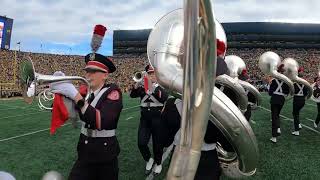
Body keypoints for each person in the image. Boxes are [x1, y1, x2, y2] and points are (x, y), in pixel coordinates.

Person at [51, 53, 123, 180]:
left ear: (105, 75)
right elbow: (71, 114)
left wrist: (74, 94)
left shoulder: (113, 92)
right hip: (85, 152)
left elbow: (101, 121)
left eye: (93, 71)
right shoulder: (86, 93)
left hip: (105, 156)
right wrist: (60, 91)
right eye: (87, 71)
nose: (88, 74)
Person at [129, 65, 168, 175]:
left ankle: (159, 163)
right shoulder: (142, 87)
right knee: (141, 143)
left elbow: (164, 97)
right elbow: (132, 95)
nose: (151, 76)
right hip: (145, 120)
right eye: (149, 74)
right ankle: (149, 160)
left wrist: (152, 87)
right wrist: (138, 83)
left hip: (158, 119)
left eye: (153, 73)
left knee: (157, 144)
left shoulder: (161, 87)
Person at [268, 64, 290, 143]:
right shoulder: (286, 81)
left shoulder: (274, 81)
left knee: (274, 116)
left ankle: (274, 136)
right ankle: (278, 128)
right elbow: (287, 92)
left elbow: (270, 93)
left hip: (274, 99)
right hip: (281, 100)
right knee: (277, 115)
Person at [291, 67, 308, 136]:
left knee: (295, 114)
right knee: (296, 113)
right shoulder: (305, 83)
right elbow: (305, 93)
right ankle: (298, 124)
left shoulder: (294, 83)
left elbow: (292, 92)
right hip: (302, 100)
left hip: (297, 99)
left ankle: (296, 130)